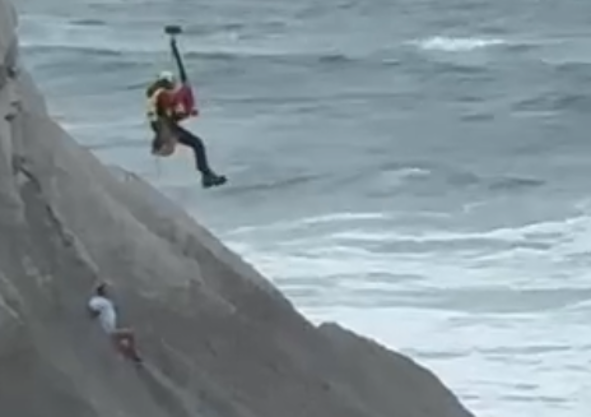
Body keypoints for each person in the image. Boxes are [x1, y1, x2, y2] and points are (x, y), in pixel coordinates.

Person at [146, 36, 227, 188]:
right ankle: (206, 175)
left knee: (197, 144)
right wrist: (183, 101)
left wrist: (176, 52)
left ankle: (206, 175)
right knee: (197, 143)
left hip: (166, 128)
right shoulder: (162, 94)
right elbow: (170, 109)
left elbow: (167, 113)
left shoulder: (156, 95)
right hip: (167, 130)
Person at [87, 282, 142, 364]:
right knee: (130, 333)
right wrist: (95, 314)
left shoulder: (105, 301)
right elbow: (93, 309)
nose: (107, 292)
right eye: (105, 291)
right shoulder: (97, 301)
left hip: (111, 329)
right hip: (110, 330)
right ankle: (129, 356)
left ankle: (130, 357)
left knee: (123, 342)